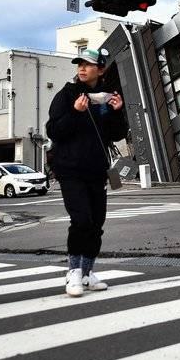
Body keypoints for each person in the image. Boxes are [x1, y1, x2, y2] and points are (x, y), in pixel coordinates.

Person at [46, 48, 127, 297]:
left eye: (88, 64)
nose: (82, 68)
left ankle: (88, 272)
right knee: (81, 220)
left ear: (100, 70)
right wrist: (75, 112)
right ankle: (73, 272)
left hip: (97, 169)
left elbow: (117, 134)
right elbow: (53, 131)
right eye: (79, 64)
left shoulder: (106, 97)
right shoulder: (67, 95)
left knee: (96, 223)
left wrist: (117, 111)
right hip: (70, 169)